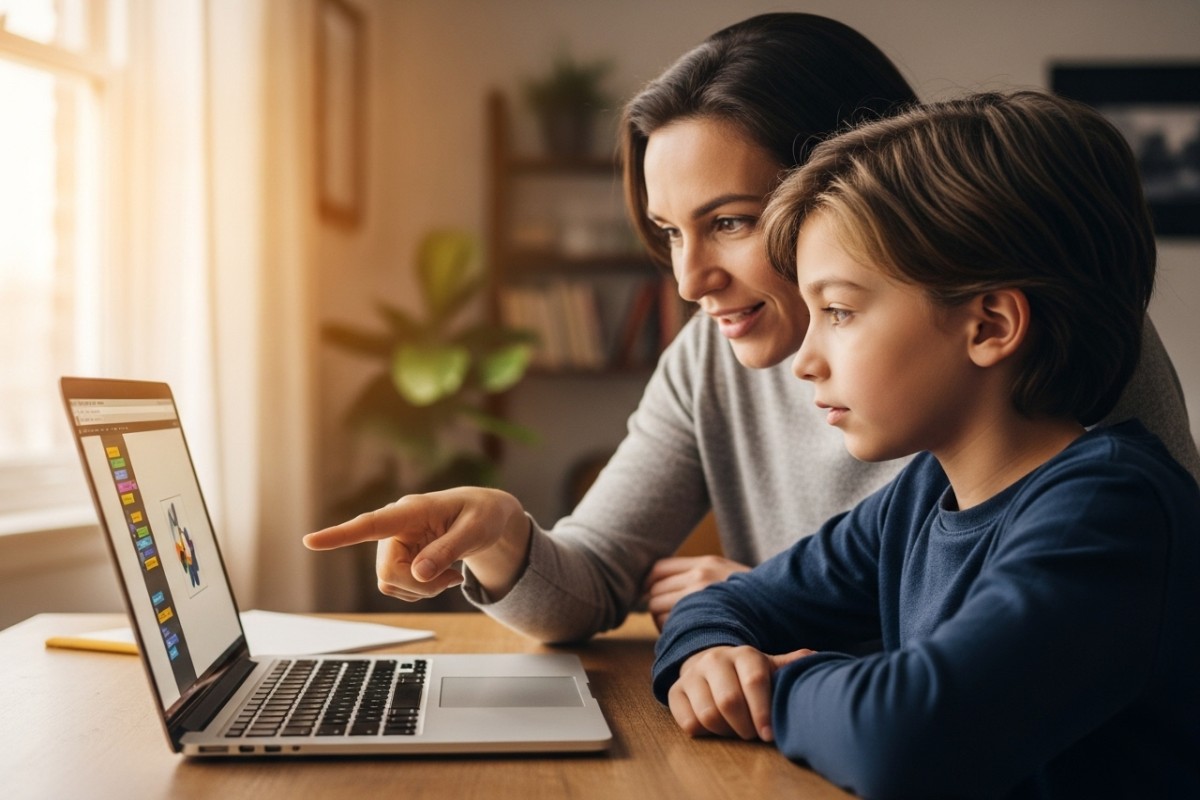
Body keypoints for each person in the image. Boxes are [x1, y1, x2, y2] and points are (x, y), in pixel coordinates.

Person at [303, 14, 1200, 643]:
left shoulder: (1046, 355)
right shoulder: (712, 357)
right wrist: (506, 541)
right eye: (668, 232)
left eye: (730, 221)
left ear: (846, 188)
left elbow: (1099, 630)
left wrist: (778, 612)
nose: (691, 281)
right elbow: (593, 579)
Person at [652, 90, 1200, 798]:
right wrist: (709, 653)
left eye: (840, 311)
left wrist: (779, 682)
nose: (805, 360)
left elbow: (905, 736)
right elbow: (726, 604)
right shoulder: (922, 496)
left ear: (990, 325)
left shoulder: (1114, 512)